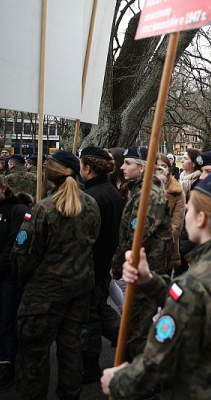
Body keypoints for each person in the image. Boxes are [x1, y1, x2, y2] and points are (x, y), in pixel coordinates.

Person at [101, 173, 211, 399]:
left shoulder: (197, 282)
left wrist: (118, 381)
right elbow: (194, 303)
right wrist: (150, 281)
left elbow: (159, 360)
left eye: (190, 207)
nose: (186, 214)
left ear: (201, 218)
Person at [10, 151, 100, 399]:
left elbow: (24, 254)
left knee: (33, 357)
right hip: (78, 290)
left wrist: (23, 281)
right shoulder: (90, 204)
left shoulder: (43, 209)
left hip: (43, 295)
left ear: (51, 173)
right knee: (71, 353)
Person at [110, 146, 173, 361]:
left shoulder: (150, 194)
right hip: (140, 267)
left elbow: (137, 236)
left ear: (143, 166)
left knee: (141, 327)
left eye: (128, 163)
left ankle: (144, 380)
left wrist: (118, 264)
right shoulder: (138, 191)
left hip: (147, 267)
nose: (122, 167)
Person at [78, 147, 124, 383]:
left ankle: (91, 364)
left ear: (87, 168)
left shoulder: (93, 197)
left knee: (91, 317)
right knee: (98, 310)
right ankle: (127, 339)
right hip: (102, 262)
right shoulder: (110, 192)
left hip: (92, 265)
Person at [0, 173, 29, 393]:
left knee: (6, 322)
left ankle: (8, 363)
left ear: (3, 188)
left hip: (6, 278)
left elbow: (13, 247)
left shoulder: (17, 211)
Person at [157, 153, 186, 271]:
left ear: (169, 168)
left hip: (165, 247)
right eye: (156, 165)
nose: (159, 168)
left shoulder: (176, 191)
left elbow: (176, 225)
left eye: (163, 165)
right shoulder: (143, 188)